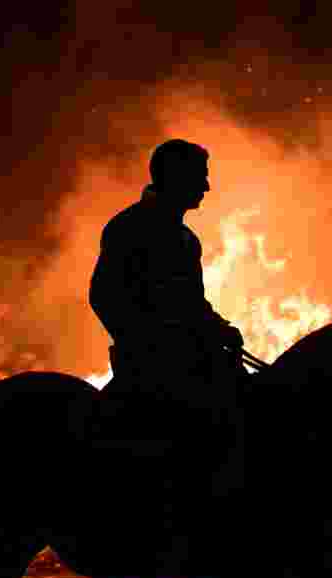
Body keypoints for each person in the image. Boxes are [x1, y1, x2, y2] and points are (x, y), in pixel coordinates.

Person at [88, 139, 247, 505]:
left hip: (193, 357)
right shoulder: (128, 228)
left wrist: (219, 327)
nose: (207, 187)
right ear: (176, 178)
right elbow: (104, 297)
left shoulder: (186, 240)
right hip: (150, 364)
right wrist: (151, 342)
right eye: (200, 177)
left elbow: (193, 303)